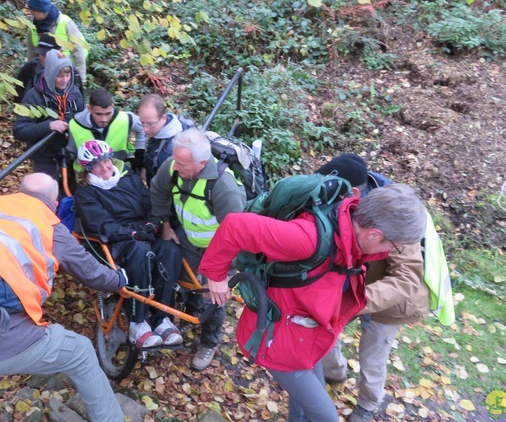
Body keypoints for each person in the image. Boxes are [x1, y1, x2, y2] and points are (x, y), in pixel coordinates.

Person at [200, 183, 427, 422]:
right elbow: (236, 226)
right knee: (325, 416)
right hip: (279, 338)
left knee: (307, 400)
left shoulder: (349, 231)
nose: (390, 252)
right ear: (374, 234)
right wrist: (215, 276)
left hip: (305, 333)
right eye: (392, 246)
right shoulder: (308, 238)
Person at [0, 173, 126, 422]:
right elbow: (92, 273)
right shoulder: (48, 224)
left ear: (20, 192)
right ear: (54, 203)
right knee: (81, 350)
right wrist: (119, 280)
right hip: (2, 345)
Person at [315, 154, 432, 422]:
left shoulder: (397, 215)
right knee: (326, 337)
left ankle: (368, 404)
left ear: (354, 192)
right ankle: (335, 373)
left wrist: (355, 300)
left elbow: (405, 277)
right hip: (348, 286)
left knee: (372, 357)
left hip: (388, 301)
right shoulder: (337, 197)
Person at [150, 129, 246, 370]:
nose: (176, 167)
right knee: (187, 283)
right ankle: (193, 314)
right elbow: (158, 190)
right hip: (189, 240)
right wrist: (166, 226)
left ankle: (209, 341)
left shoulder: (224, 187)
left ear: (202, 163)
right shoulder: (173, 167)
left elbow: (236, 235)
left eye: (183, 164)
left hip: (220, 249)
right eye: (175, 160)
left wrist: (218, 273)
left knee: (212, 295)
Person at [74, 140, 183, 348]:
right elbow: (101, 224)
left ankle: (162, 317)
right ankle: (138, 321)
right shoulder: (86, 192)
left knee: (170, 250)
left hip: (143, 232)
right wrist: (132, 233)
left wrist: (152, 224)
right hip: (117, 240)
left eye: (107, 162)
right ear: (89, 170)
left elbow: (149, 204)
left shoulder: (129, 178)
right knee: (139, 251)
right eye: (98, 166)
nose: (105, 168)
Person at [13, 50, 85, 183]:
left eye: (67, 75)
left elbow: (82, 118)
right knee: (49, 196)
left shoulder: (75, 92)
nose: (64, 80)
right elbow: (20, 131)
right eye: (59, 76)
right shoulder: (33, 97)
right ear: (51, 73)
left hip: (71, 153)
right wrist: (49, 125)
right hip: (44, 157)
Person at [67, 88, 146, 175]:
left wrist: (140, 152)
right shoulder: (75, 125)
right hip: (88, 179)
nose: (104, 119)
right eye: (98, 114)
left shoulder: (126, 119)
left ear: (112, 106)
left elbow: (143, 128)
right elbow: (71, 152)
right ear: (89, 108)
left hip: (120, 174)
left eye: (108, 113)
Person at [25, 0, 88, 85]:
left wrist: (80, 78)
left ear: (43, 11)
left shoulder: (66, 22)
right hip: (46, 73)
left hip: (66, 74)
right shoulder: (32, 28)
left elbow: (78, 50)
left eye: (33, 10)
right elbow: (31, 56)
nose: (31, 12)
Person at [137, 93, 191, 185]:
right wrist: (146, 167)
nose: (145, 129)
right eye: (142, 123)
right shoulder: (159, 131)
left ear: (163, 118)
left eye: (150, 124)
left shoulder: (171, 148)